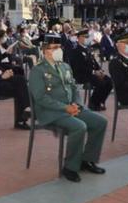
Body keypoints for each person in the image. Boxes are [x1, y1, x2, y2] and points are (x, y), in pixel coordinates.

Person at [28, 35, 109, 181]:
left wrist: (76, 104)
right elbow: (40, 98)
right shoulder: (38, 71)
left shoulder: (65, 66)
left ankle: (87, 160)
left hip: (71, 108)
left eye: (59, 47)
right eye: (54, 48)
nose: (58, 50)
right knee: (79, 127)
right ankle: (70, 167)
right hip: (51, 112)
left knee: (100, 122)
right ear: (46, 50)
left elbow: (73, 88)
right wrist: (66, 108)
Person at [67, 28, 113, 111]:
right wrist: (94, 72)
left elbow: (94, 62)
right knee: (101, 83)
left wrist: (100, 70)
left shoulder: (87, 49)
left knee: (109, 82)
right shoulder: (75, 50)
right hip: (82, 75)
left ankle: (99, 101)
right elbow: (79, 67)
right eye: (85, 36)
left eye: (87, 36)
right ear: (79, 38)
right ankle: (92, 103)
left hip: (91, 73)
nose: (87, 38)